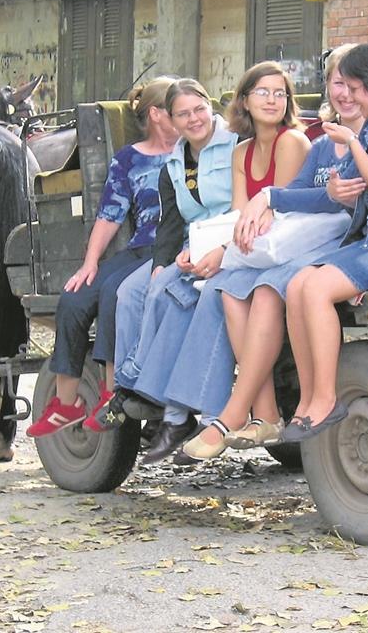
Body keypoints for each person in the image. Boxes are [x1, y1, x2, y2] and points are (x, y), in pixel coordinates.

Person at [176, 45, 362, 460]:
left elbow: (323, 203)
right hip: (289, 242)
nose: (346, 93)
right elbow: (283, 200)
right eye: (337, 83)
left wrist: (272, 200)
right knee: (230, 290)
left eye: (356, 85)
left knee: (263, 292)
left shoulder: (346, 138)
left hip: (325, 245)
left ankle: (231, 414)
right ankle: (265, 414)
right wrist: (257, 212)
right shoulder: (321, 143)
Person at [119, 64, 311, 464]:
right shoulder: (239, 151)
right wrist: (214, 251)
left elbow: (287, 217)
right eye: (262, 92)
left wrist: (221, 255)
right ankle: (170, 402)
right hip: (240, 245)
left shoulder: (290, 142)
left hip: (288, 247)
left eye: (280, 93)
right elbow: (237, 217)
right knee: (173, 288)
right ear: (244, 100)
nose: (272, 100)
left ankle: (219, 416)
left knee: (211, 294)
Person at [278, 43, 368, 442]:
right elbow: (357, 186)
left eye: (355, 87)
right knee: (297, 285)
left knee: (318, 288)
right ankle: (309, 398)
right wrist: (341, 187)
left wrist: (354, 146)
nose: (351, 97)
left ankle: (327, 396)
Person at [26, 77, 179, 438]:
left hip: (173, 248)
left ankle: (114, 396)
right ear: (157, 114)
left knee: (115, 293)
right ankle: (66, 404)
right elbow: (110, 214)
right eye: (177, 109)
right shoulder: (129, 159)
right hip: (141, 247)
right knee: (76, 296)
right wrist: (90, 262)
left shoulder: (194, 151)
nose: (187, 116)